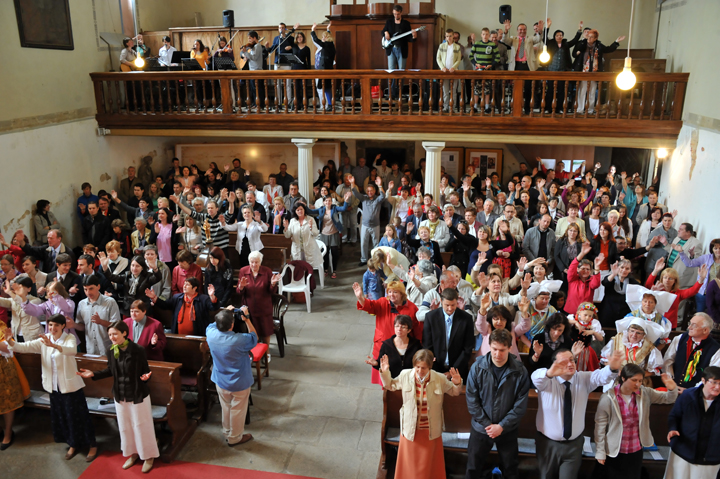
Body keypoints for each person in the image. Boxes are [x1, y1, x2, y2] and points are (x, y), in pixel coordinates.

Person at [2, 314, 97, 460]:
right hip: (54, 387)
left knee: (79, 417)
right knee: (64, 417)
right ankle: (73, 444)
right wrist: (10, 341)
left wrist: (54, 346)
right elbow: (24, 347)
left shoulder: (69, 338)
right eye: (50, 325)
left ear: (63, 326)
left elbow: (72, 350)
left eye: (56, 325)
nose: (53, 328)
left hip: (70, 386)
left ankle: (92, 445)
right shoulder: (44, 338)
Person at [77, 321, 159, 472]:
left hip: (137, 394)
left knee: (142, 426)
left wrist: (146, 377)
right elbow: (110, 370)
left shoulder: (138, 350)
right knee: (125, 427)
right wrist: (93, 374)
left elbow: (145, 370)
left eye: (115, 334)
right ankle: (133, 453)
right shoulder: (111, 350)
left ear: (124, 333)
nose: (112, 337)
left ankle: (148, 456)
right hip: (120, 394)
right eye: (109, 335)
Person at [532, 348, 623, 479]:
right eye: (564, 362)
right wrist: (550, 373)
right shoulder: (547, 381)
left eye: (572, 360)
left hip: (574, 444)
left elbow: (601, 377)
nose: (570, 364)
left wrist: (612, 368)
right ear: (554, 364)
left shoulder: (583, 378)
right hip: (548, 444)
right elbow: (536, 378)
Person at [380, 349, 461, 479]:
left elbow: (454, 392)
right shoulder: (405, 375)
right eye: (417, 367)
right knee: (409, 466)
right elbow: (390, 385)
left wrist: (457, 383)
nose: (420, 370)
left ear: (429, 367)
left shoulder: (439, 378)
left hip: (430, 431)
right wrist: (385, 372)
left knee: (428, 467)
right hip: (411, 430)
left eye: (423, 368)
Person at [465, 328, 530, 479]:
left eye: (502, 350)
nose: (497, 354)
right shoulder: (477, 367)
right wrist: (488, 425)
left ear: (510, 348)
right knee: (473, 468)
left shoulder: (520, 371)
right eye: (494, 349)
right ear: (489, 346)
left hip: (507, 429)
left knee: (510, 469)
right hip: (481, 428)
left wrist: (501, 426)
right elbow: (472, 400)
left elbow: (520, 405)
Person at [594, 364, 678, 478]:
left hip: (635, 449)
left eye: (640, 380)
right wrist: (600, 451)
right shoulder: (608, 398)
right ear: (623, 378)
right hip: (614, 450)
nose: (638, 384)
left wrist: (672, 388)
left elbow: (669, 398)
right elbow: (600, 427)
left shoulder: (645, 393)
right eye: (634, 380)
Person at [206, 308, 257, 446]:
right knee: (238, 410)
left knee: (226, 407)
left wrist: (224, 312)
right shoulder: (239, 340)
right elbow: (254, 337)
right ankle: (235, 438)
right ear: (232, 325)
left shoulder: (211, 334)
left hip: (221, 380)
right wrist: (247, 319)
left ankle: (227, 431)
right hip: (239, 381)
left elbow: (212, 325)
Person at [353, 280, 421, 384]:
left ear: (402, 294)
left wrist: (420, 349)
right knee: (385, 381)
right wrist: (360, 297)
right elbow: (369, 306)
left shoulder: (412, 308)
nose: (391, 295)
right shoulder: (382, 302)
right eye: (389, 292)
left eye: (395, 292)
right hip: (382, 347)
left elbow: (418, 330)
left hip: (403, 349)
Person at [664, 366, 720, 479]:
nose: (718, 387)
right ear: (703, 380)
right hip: (683, 451)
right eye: (714, 382)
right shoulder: (688, 395)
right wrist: (673, 428)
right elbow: (674, 416)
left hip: (710, 457)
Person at [422, 288, 474, 380]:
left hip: (458, 370)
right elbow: (427, 345)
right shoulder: (431, 317)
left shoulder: (466, 318)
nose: (450, 308)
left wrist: (452, 371)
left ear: (457, 302)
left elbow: (467, 348)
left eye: (453, 305)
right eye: (447, 305)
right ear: (441, 301)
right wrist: (435, 368)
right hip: (435, 369)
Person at [572, 29, 624, 114]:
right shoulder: (583, 44)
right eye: (589, 36)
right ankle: (580, 109)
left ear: (595, 38)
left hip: (595, 71)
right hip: (584, 71)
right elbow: (576, 51)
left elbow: (608, 49)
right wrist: (584, 39)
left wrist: (616, 42)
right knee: (582, 91)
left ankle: (590, 110)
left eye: (592, 37)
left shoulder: (598, 45)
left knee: (592, 91)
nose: (589, 38)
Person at [663, 313, 720, 390]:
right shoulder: (680, 338)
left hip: (697, 393)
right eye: (689, 323)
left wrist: (692, 391)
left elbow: (712, 377)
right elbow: (668, 360)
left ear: (705, 330)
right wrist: (670, 381)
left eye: (694, 325)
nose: (689, 327)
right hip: (672, 387)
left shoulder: (716, 350)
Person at [236, 251, 281, 347]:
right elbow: (239, 292)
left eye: (256, 262)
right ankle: (255, 351)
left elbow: (272, 291)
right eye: (252, 262)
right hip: (249, 308)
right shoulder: (243, 271)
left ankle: (266, 351)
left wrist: (273, 284)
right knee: (251, 332)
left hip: (264, 308)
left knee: (265, 332)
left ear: (260, 262)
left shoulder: (267, 271)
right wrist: (241, 287)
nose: (254, 264)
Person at [646, 258, 706, 328]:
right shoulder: (657, 289)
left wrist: (701, 279)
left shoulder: (678, 293)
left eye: (670, 278)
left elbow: (692, 291)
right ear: (662, 279)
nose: (667, 280)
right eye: (665, 277)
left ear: (675, 281)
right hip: (655, 322)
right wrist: (655, 270)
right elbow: (648, 285)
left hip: (670, 324)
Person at [0, 320, 31, 450]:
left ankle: (8, 433)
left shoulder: (0, 326)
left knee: (7, 401)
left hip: (3, 368)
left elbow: (8, 347)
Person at [365, 314, 422, 379]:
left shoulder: (416, 344)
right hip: (392, 380)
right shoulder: (386, 345)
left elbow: (421, 363)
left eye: (403, 327)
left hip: (411, 380)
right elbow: (382, 365)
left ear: (409, 330)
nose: (399, 329)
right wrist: (376, 364)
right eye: (397, 326)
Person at [75, 275, 121, 355]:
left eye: (91, 288)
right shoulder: (81, 304)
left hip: (108, 346)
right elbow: (82, 326)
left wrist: (101, 322)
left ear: (98, 287)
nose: (88, 292)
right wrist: (73, 325)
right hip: (90, 348)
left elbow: (116, 325)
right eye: (85, 289)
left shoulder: (110, 302)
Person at [600, 318, 664, 375]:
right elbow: (605, 360)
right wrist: (615, 370)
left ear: (643, 335)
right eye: (632, 331)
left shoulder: (649, 347)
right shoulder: (616, 340)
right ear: (628, 331)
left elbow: (653, 371)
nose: (634, 335)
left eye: (638, 333)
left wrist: (636, 376)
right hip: (615, 376)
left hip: (637, 380)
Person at [382, 4, 417, 99]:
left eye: (397, 14)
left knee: (401, 71)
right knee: (391, 71)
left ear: (401, 13)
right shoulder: (389, 22)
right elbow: (383, 31)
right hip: (391, 49)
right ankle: (391, 94)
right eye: (394, 14)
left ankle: (400, 93)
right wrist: (385, 32)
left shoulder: (406, 24)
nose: (396, 16)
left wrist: (414, 37)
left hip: (402, 49)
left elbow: (409, 38)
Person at [677, 238, 720, 313]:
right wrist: (681, 252)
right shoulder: (706, 258)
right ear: (712, 249)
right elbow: (689, 263)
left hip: (717, 295)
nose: (718, 251)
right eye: (715, 248)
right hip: (703, 293)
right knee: (700, 314)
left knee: (713, 316)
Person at [351, 175, 386, 266]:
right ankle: (363, 259)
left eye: (371, 190)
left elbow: (383, 196)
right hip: (365, 225)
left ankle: (376, 260)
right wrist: (352, 183)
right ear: (366, 191)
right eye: (368, 191)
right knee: (363, 243)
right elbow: (355, 193)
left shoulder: (378, 199)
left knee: (376, 244)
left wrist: (380, 185)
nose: (370, 192)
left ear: (374, 191)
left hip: (375, 225)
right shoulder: (364, 198)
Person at [598, 259, 639, 327]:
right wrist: (613, 274)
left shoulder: (633, 282)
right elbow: (605, 282)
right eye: (622, 267)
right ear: (617, 268)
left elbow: (640, 292)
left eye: (627, 268)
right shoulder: (611, 278)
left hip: (624, 313)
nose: (624, 270)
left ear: (630, 270)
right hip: (608, 311)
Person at [565, 243, 603, 314]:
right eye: (583, 268)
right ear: (577, 269)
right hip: (571, 312)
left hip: (586, 313)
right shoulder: (572, 279)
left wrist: (597, 267)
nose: (585, 271)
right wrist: (582, 254)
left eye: (588, 269)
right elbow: (572, 268)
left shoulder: (591, 280)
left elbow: (596, 284)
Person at [310, 22, 335, 111]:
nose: (322, 38)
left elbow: (316, 40)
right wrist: (328, 30)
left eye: (324, 37)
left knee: (324, 87)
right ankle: (330, 104)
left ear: (326, 38)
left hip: (324, 70)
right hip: (328, 69)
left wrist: (313, 30)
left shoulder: (326, 45)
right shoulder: (331, 45)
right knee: (327, 88)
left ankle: (329, 105)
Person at [436, 29, 462, 112]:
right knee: (445, 91)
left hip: (454, 71)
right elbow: (438, 58)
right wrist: (442, 67)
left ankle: (452, 108)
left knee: (453, 91)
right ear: (445, 37)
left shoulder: (457, 47)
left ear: (453, 36)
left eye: (450, 36)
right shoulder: (442, 46)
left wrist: (453, 67)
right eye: (447, 36)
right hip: (445, 71)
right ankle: (445, 107)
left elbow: (458, 59)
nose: (449, 38)